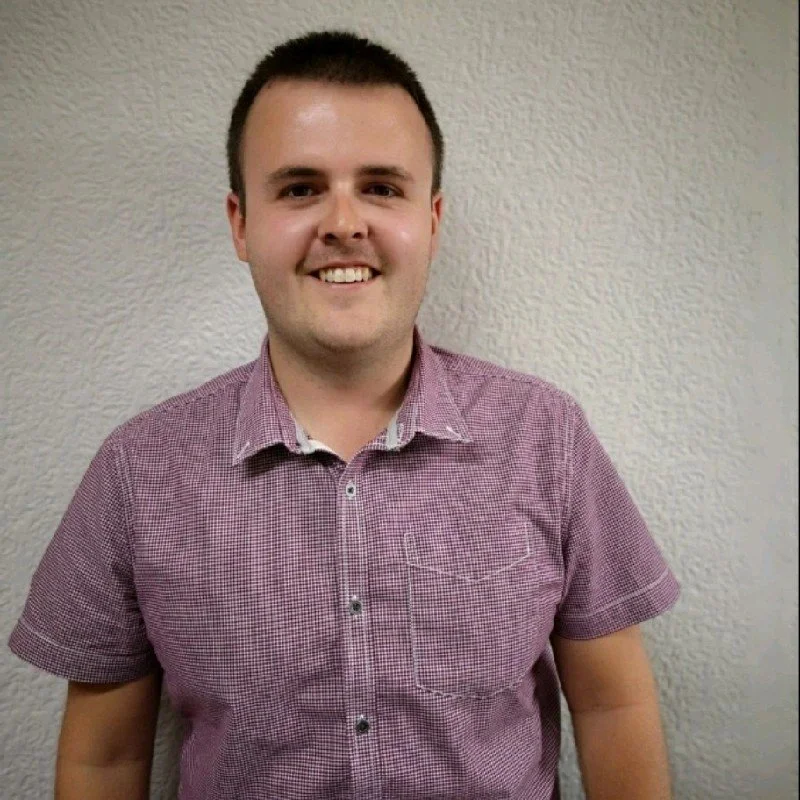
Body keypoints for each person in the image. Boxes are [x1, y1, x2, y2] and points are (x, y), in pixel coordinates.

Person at [8, 29, 681, 800]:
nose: (343, 222)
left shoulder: (545, 438)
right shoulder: (138, 472)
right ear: (240, 223)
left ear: (430, 219)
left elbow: (612, 704)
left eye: (382, 187)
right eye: (299, 188)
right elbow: (103, 761)